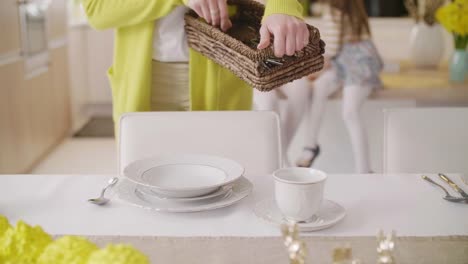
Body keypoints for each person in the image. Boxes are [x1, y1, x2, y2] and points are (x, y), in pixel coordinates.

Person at [81, 0, 311, 134]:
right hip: (144, 83)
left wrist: (284, 7)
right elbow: (97, 10)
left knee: (223, 193)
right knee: (144, 193)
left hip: (221, 78)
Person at [296, 0, 383, 173]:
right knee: (320, 88)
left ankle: (364, 170)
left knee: (350, 112)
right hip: (343, 60)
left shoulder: (334, 8)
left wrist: (316, 68)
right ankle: (310, 145)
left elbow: (333, 47)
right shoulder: (349, 5)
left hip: (357, 61)